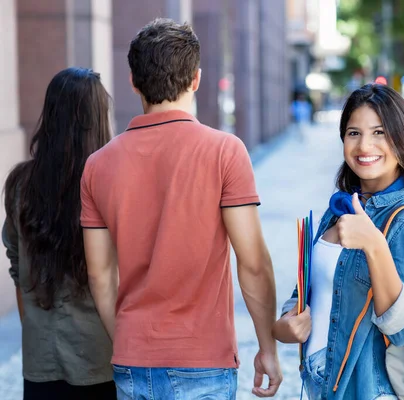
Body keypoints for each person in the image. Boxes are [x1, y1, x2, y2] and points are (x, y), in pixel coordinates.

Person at [79, 18, 282, 399]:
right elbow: (253, 263)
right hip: (203, 360)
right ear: (197, 80)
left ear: (133, 82)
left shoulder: (98, 165)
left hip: (132, 360)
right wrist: (267, 348)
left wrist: (128, 341)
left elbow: (100, 275)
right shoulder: (225, 151)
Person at [272, 83, 404, 399]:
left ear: (402, 140)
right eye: (354, 133)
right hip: (322, 384)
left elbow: (403, 330)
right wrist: (285, 325)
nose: (364, 145)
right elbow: (305, 292)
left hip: (368, 390)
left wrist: (374, 244)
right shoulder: (338, 208)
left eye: (379, 132)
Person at [2, 67, 114, 400]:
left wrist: (37, 328)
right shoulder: (110, 184)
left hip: (41, 359)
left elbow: (17, 269)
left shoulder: (21, 184)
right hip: (102, 356)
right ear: (97, 120)